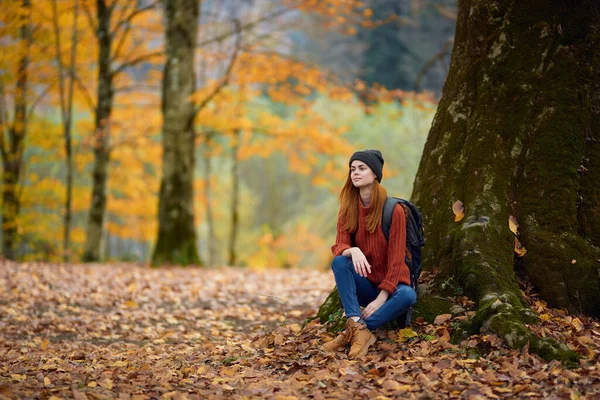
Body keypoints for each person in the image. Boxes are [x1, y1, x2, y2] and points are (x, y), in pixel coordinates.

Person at [322, 149, 417, 358]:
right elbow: (339, 246)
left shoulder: (394, 210)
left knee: (408, 295)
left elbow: (396, 260)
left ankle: (354, 332)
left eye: (362, 168)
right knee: (340, 262)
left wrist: (382, 298)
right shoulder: (348, 208)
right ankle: (357, 324)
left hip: (391, 290)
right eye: (352, 169)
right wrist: (352, 250)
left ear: (375, 173)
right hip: (365, 284)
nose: (355, 172)